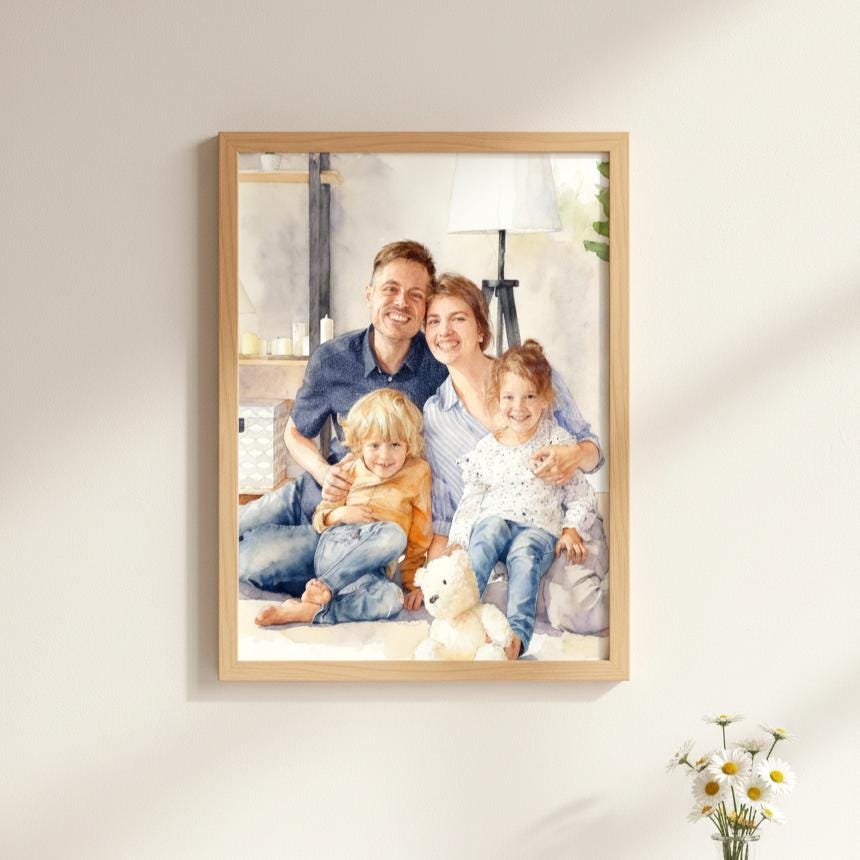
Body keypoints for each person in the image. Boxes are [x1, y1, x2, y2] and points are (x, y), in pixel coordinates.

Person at [238, 240, 448, 597]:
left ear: (427, 306)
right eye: (390, 289)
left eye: (415, 294)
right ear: (369, 294)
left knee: (248, 561)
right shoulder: (333, 358)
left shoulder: (440, 368)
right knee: (225, 526)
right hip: (312, 490)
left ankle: (322, 568)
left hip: (358, 521)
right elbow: (295, 433)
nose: (401, 302)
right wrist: (324, 472)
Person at [421, 273, 609, 634]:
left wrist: (573, 454)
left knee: (579, 615)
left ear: (480, 328)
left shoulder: (533, 376)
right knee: (474, 604)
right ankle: (530, 589)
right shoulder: (436, 413)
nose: (444, 330)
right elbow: (450, 509)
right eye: (434, 321)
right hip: (502, 540)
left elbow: (593, 450)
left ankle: (556, 586)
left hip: (563, 520)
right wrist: (438, 570)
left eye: (457, 318)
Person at [446, 340, 600, 659]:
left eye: (530, 396)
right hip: (496, 522)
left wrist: (572, 528)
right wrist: (458, 540)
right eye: (509, 397)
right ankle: (461, 617)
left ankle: (515, 637)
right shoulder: (487, 449)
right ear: (497, 399)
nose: (519, 407)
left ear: (546, 398)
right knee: (486, 533)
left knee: (524, 554)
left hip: (537, 529)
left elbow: (581, 493)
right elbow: (471, 501)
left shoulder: (556, 441)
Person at [254, 388, 432, 627]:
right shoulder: (351, 468)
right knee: (393, 534)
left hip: (373, 569)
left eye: (395, 444)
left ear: (409, 444)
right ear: (359, 444)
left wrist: (412, 584)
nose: (385, 455)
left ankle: (311, 611)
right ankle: (326, 586)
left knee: (392, 598)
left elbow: (419, 536)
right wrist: (341, 514)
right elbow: (320, 518)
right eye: (375, 445)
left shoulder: (418, 472)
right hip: (336, 545)